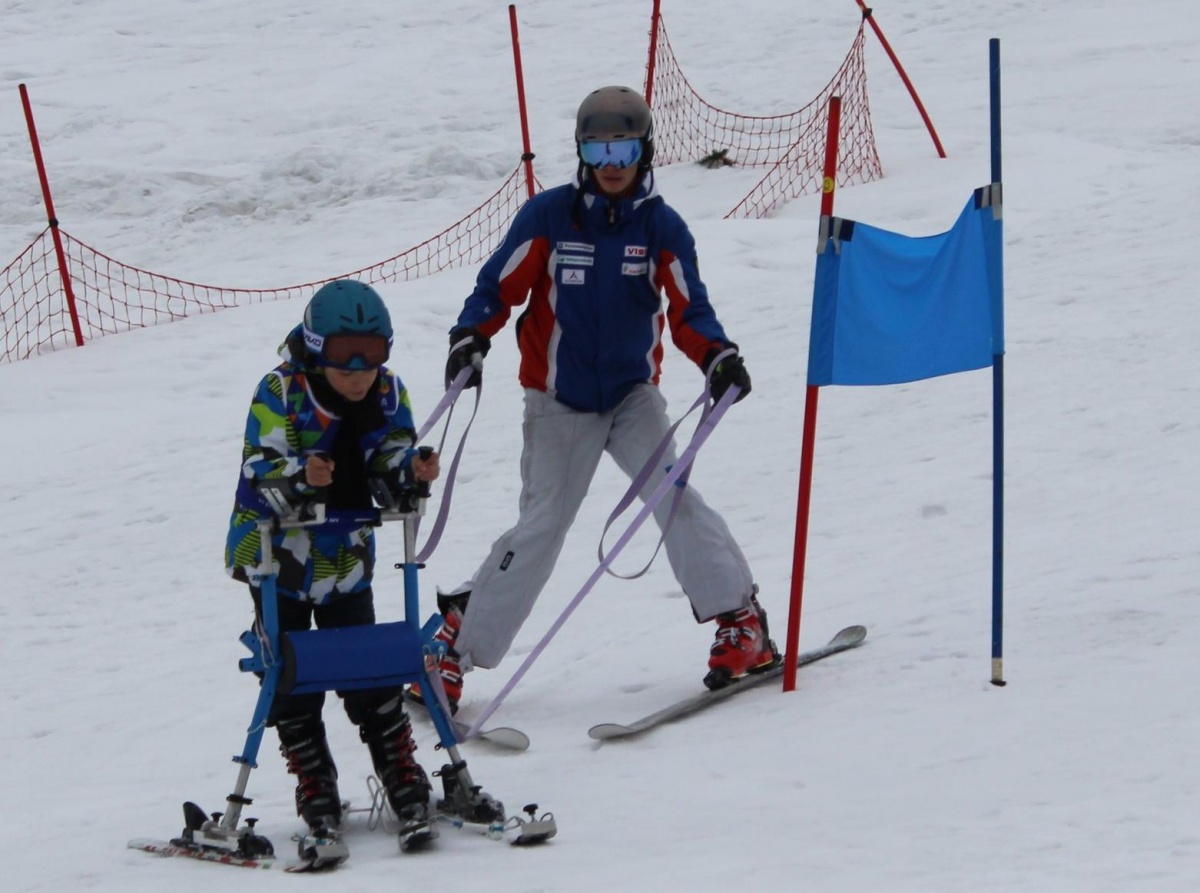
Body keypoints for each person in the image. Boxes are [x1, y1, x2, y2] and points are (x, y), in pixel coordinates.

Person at [410, 85, 778, 715]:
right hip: (557, 400)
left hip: (633, 397)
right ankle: (450, 647)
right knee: (542, 526)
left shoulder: (660, 226)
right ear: (582, 151)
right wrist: (471, 336)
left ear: (645, 150)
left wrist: (718, 357)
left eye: (625, 146)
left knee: (672, 494)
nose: (612, 161)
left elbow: (691, 308)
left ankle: (742, 624)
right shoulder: (551, 217)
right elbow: (497, 286)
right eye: (598, 146)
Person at [224, 279, 441, 834]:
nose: (359, 373)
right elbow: (259, 471)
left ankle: (399, 769)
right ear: (318, 351)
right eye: (346, 361)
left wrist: (409, 475)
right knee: (291, 672)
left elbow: (389, 457)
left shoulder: (387, 393)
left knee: (367, 664)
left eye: (371, 358)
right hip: (278, 561)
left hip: (345, 555)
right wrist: (301, 478)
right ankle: (314, 777)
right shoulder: (281, 392)